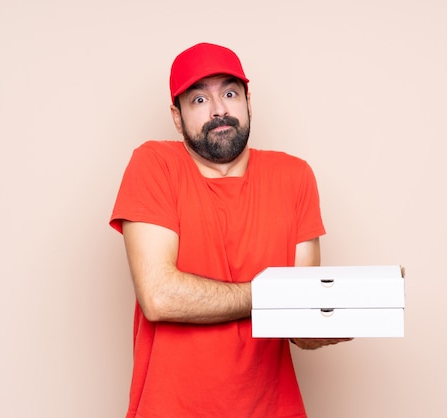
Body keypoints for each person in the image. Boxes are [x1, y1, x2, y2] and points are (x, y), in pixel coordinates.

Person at [110, 42, 350, 418]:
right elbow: (159, 296)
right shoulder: (154, 165)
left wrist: (332, 321)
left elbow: (299, 317)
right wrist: (272, 294)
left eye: (229, 92)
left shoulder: (294, 176)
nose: (219, 109)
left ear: (248, 101)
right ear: (177, 117)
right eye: (199, 100)